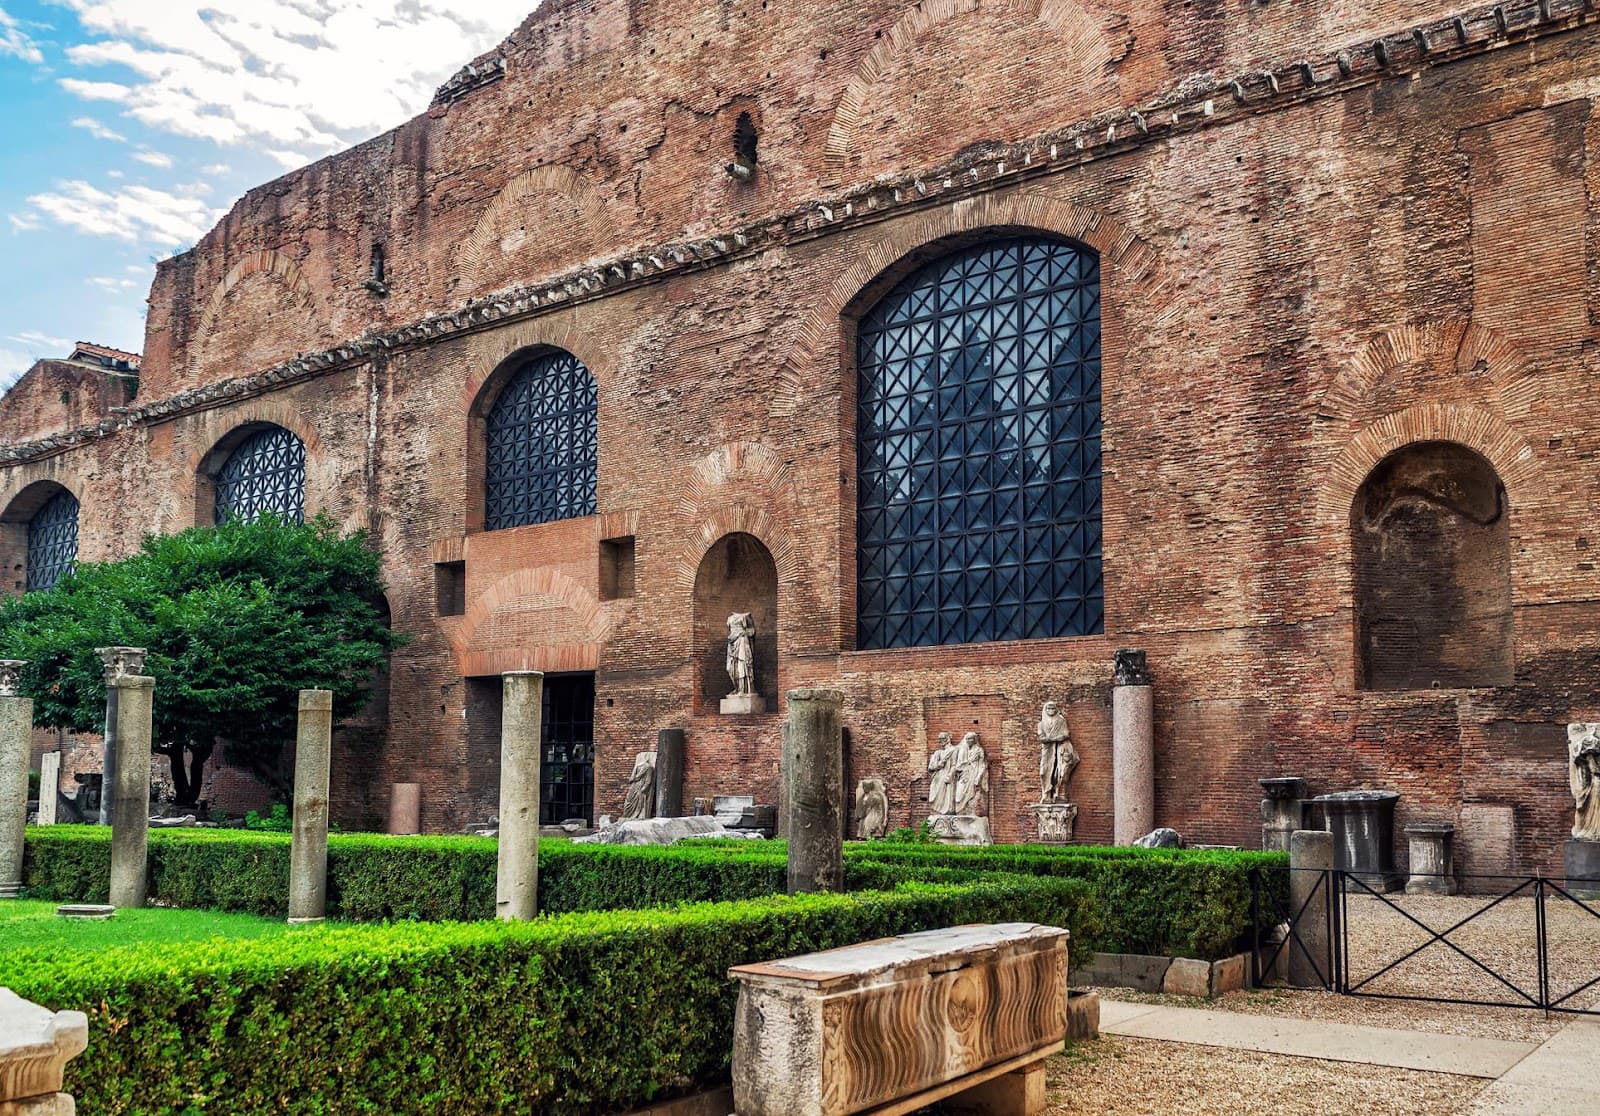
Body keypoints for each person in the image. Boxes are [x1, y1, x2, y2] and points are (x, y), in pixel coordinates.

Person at [725, 612, 755, 696]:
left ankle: (744, 689)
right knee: (730, 668)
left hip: (741, 641)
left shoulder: (743, 636)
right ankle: (737, 688)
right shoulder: (730, 639)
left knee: (742, 666)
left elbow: (752, 631)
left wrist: (745, 633)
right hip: (732, 642)